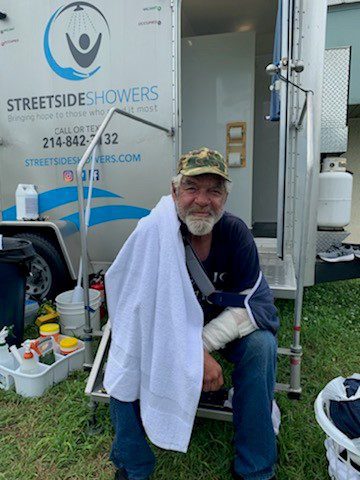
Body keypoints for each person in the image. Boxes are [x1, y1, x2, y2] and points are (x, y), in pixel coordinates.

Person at [104, 148, 279, 480]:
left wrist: (198, 348)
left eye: (214, 190)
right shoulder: (152, 232)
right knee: (123, 355)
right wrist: (185, 351)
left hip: (217, 332)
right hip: (164, 333)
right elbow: (132, 309)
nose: (202, 200)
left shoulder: (235, 233)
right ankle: (132, 465)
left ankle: (256, 468)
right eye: (192, 188)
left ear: (224, 197)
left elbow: (258, 306)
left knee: (263, 347)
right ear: (174, 192)